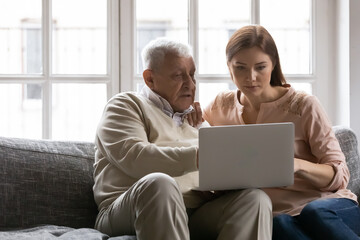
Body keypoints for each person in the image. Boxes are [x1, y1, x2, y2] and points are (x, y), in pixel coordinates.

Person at [92, 38, 272, 240]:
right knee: (159, 184)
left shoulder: (195, 119)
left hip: (194, 211)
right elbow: (135, 158)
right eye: (178, 76)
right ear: (150, 79)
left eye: (192, 75)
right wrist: (200, 157)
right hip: (127, 210)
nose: (190, 84)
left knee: (254, 200)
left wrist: (221, 186)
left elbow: (208, 172)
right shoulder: (126, 105)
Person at [199, 25, 360, 240]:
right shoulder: (219, 108)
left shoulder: (304, 105)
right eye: (240, 67)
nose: (251, 77)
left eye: (260, 67)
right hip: (275, 214)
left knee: (314, 212)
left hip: (327, 206)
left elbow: (339, 176)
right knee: (279, 224)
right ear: (229, 67)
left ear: (273, 65)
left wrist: (297, 165)